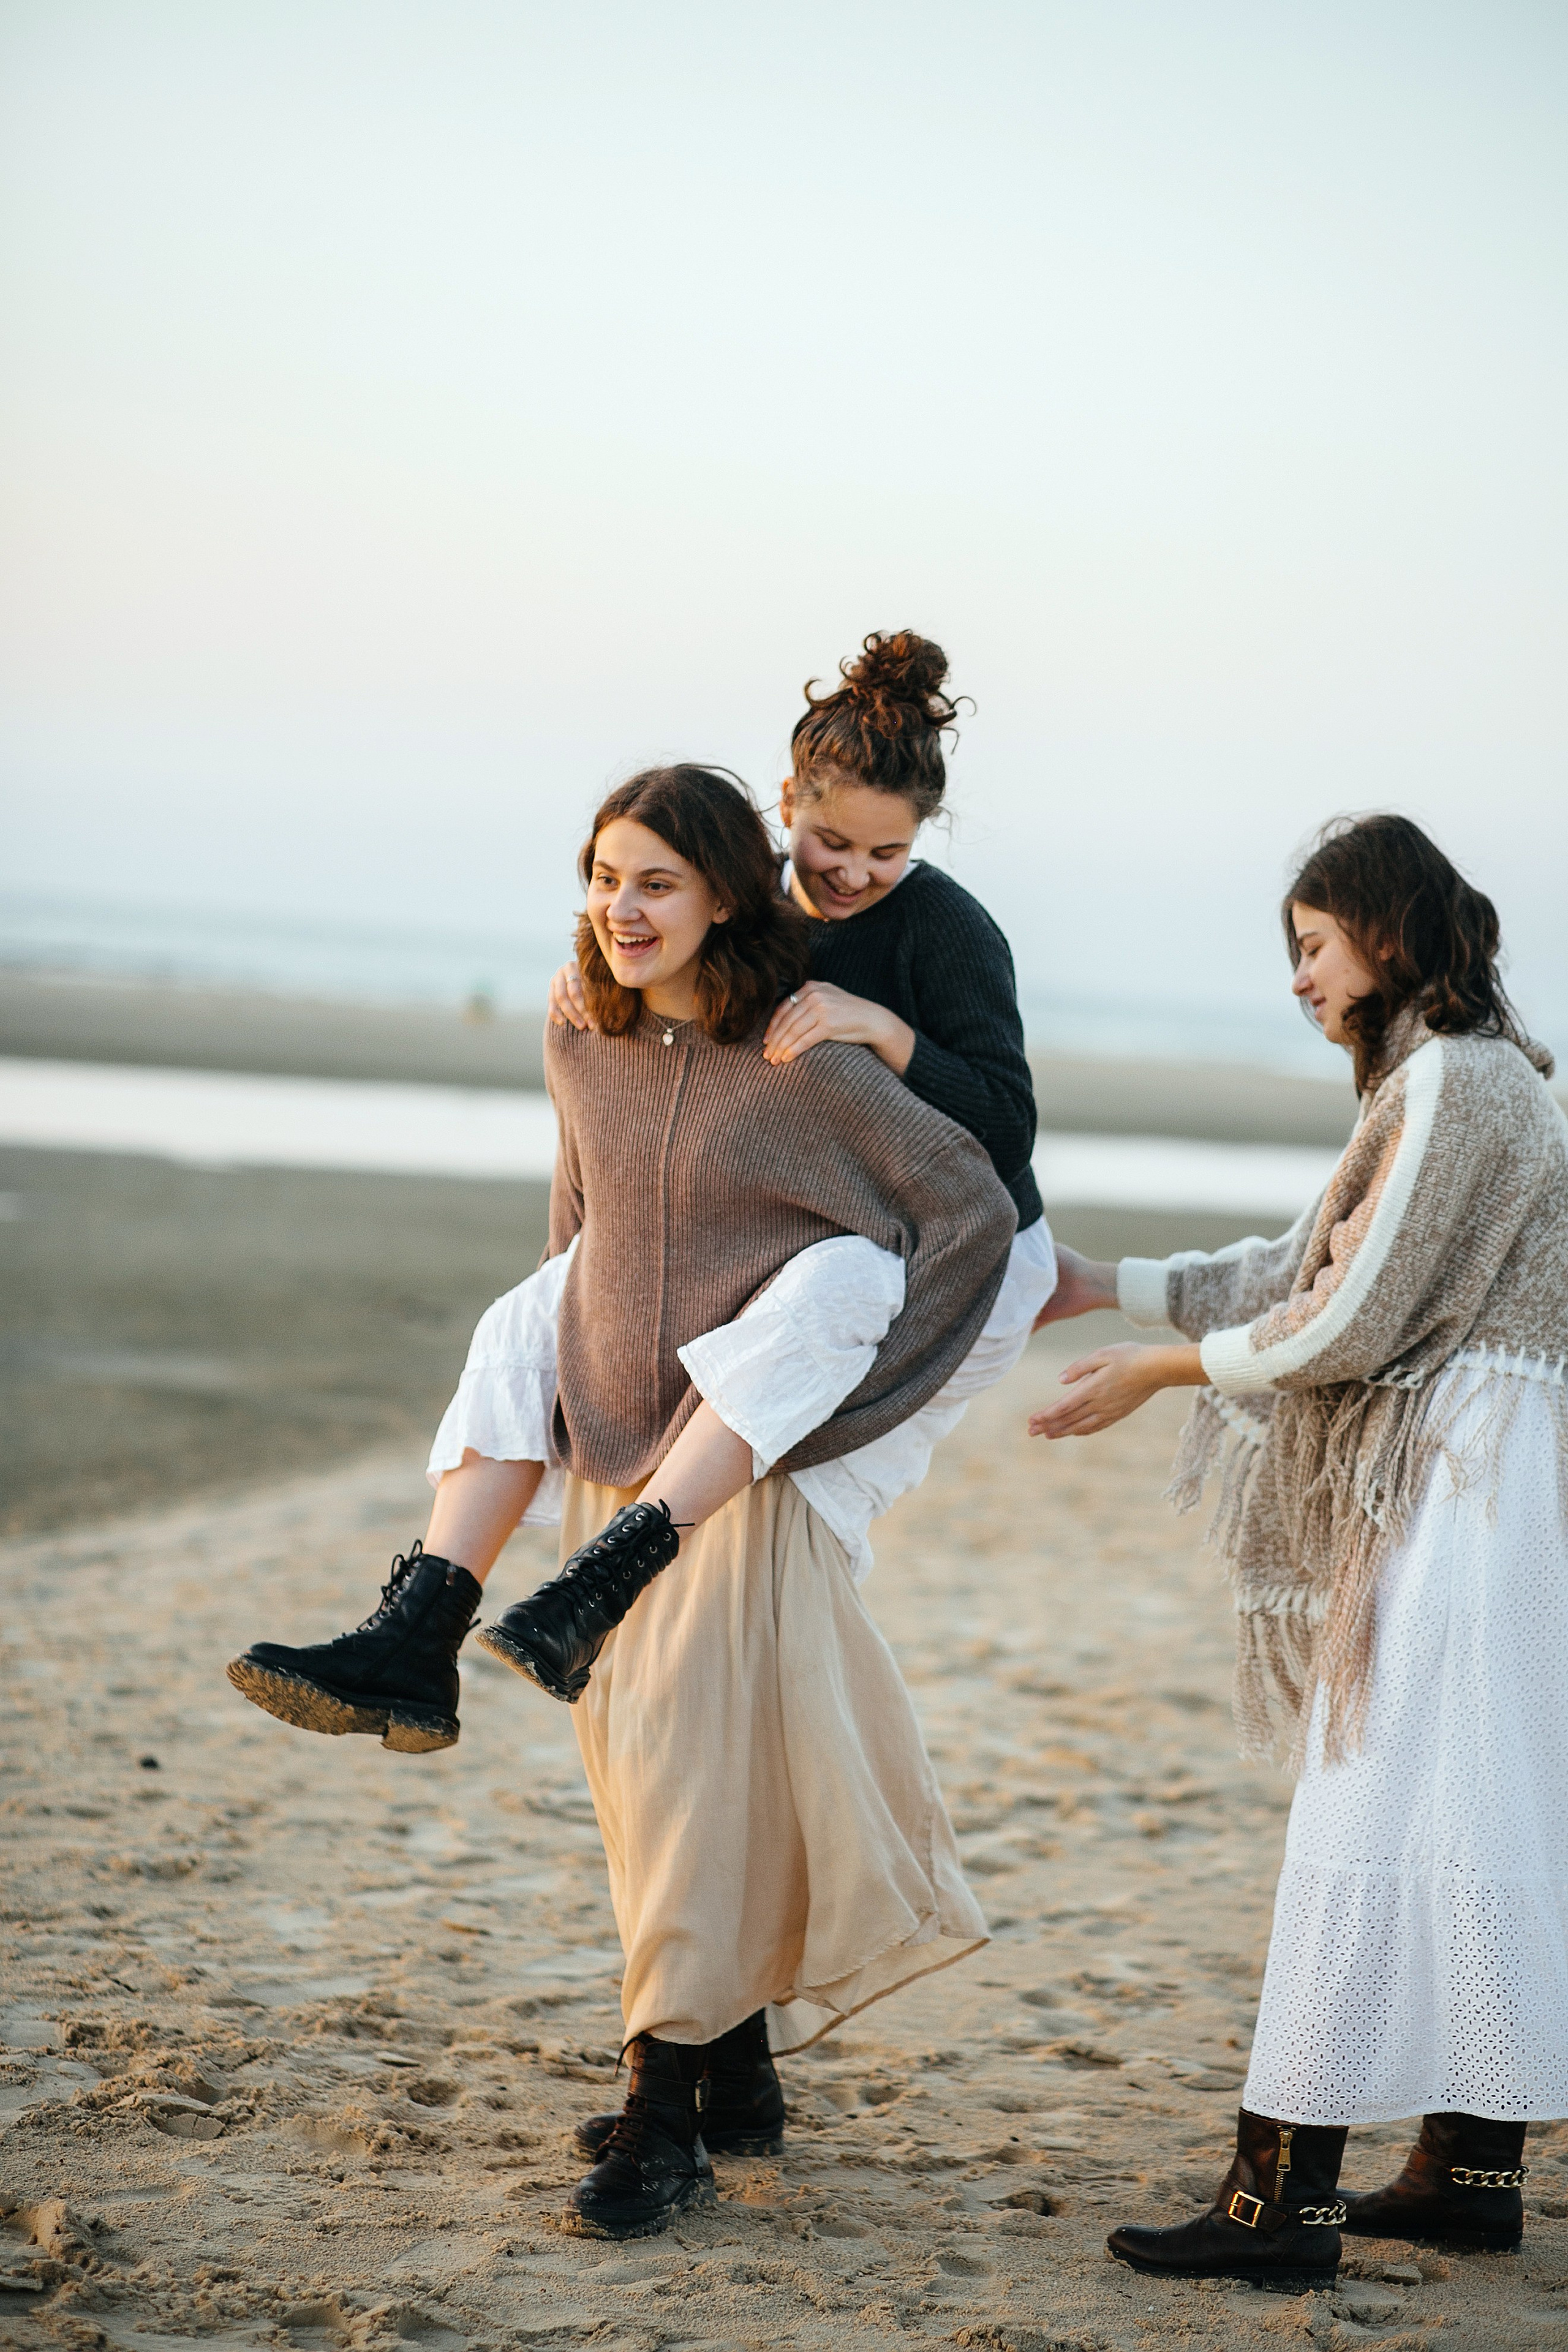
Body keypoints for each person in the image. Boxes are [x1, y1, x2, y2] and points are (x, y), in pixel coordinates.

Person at [228, 630, 1055, 1745]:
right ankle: (416, 1638)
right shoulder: (739, 908)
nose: (850, 874)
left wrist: (885, 1030)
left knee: (814, 1487)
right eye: (827, 842)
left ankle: (614, 1588)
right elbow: (631, 1010)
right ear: (783, 815)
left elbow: (1002, 1133)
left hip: (944, 1237)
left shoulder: (938, 936)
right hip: (793, 1210)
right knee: (535, 1306)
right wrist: (596, 977)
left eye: (885, 853)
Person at [414, 765, 1021, 2236]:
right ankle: (732, 2061)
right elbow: (580, 1218)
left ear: (722, 895)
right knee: (646, 1741)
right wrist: (569, 1386)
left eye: (654, 882)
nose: (620, 909)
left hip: (768, 1426)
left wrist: (845, 1417)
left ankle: (662, 2106)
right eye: (604, 877)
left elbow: (980, 1194)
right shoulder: (587, 1029)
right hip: (634, 1417)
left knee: (694, 1736)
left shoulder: (819, 1035)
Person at [1030, 813, 1568, 2290]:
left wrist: (1161, 1372)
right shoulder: (1468, 1081)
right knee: (1463, 1811)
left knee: (1363, 1809)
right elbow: (1303, 1258)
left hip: (1451, 1486)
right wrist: (1109, 1288)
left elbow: (1344, 1319)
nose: (1298, 980)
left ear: (1386, 939)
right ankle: (1468, 2171)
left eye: (1311, 947)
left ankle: (1281, 2206)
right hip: (1489, 1481)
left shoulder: (1452, 1084)